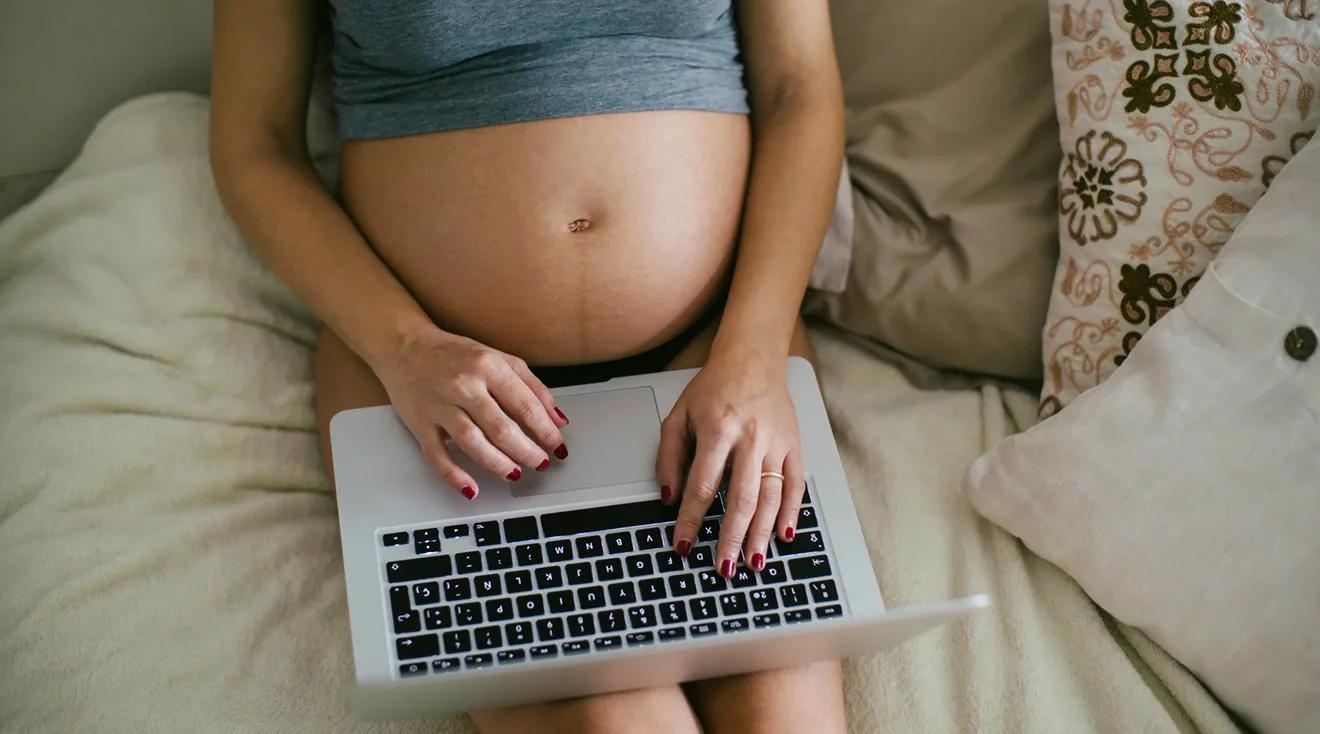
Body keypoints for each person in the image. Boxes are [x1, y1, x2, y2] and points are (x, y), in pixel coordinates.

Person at [209, 0, 846, 731]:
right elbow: (253, 144)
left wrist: (755, 356)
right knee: (611, 721)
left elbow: (801, 90)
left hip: (720, 351)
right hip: (438, 388)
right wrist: (407, 348)